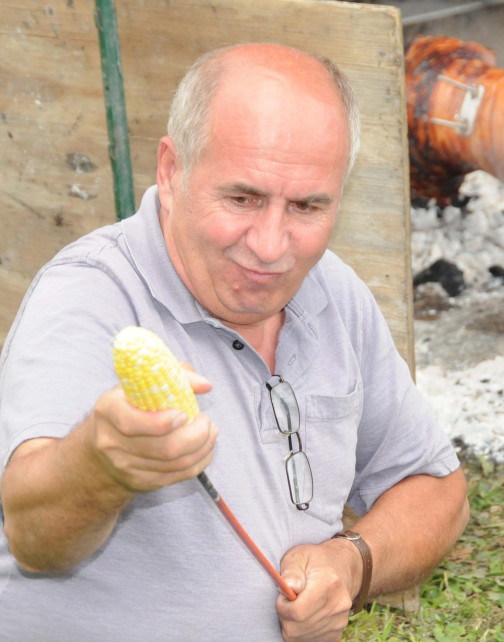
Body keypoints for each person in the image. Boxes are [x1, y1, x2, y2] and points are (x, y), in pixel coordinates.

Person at [0, 43, 469, 640]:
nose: (271, 246)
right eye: (242, 198)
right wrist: (98, 464)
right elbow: (36, 538)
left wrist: (350, 563)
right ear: (172, 173)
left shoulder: (333, 292)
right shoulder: (88, 296)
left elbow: (437, 489)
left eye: (306, 206)